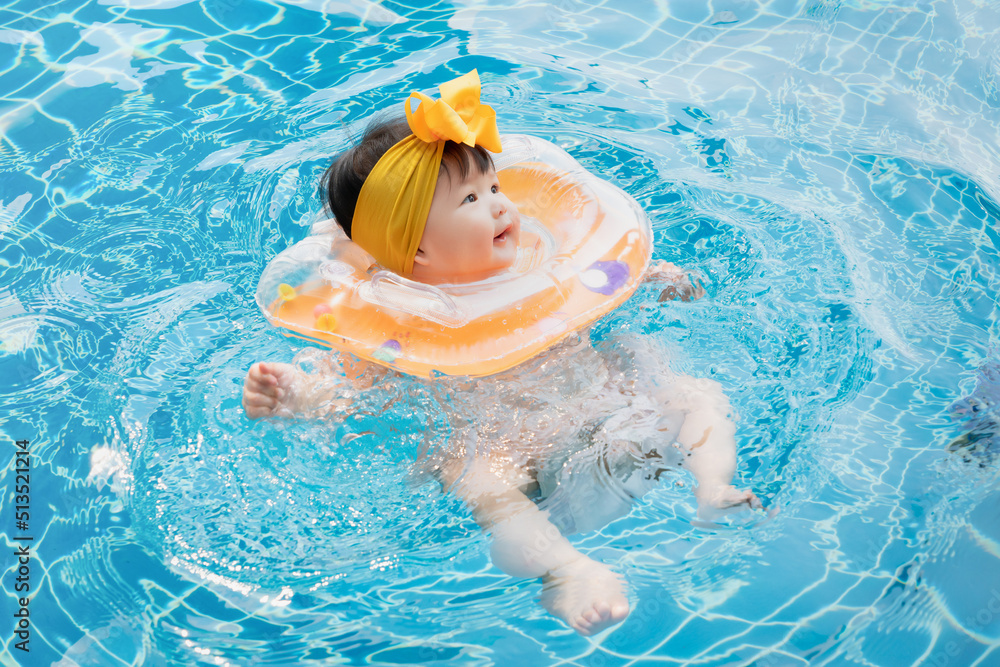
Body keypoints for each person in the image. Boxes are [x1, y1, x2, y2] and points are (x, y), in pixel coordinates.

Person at [242, 70, 760, 636]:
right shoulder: (397, 320)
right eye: (470, 198)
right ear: (414, 251)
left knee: (689, 388)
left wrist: (656, 279)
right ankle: (568, 570)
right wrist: (293, 393)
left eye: (493, 187)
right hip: (523, 457)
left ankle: (712, 486)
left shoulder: (547, 265)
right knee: (468, 468)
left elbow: (609, 276)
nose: (498, 206)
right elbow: (346, 389)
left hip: (609, 411)